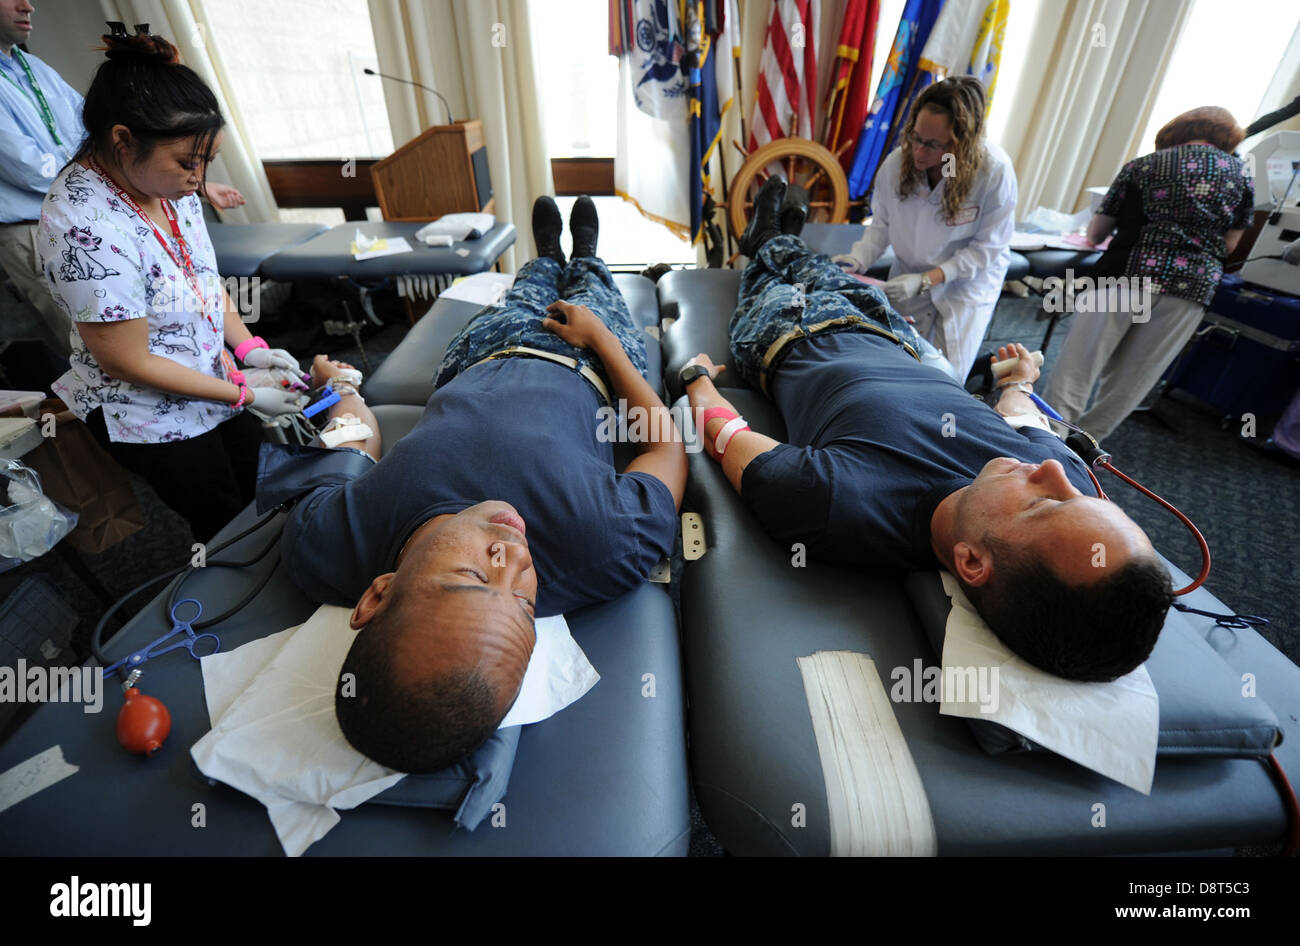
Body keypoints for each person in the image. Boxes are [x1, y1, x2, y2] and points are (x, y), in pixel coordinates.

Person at [682, 176, 1174, 683]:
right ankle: (779, 236)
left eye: (1047, 503)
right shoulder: (1057, 471)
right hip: (896, 334)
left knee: (775, 272)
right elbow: (1021, 417)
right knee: (820, 266)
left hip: (791, 331)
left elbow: (728, 436)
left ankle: (769, 236)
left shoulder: (837, 501)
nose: (1052, 468)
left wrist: (695, 379)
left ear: (972, 562)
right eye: (1085, 495)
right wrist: (1023, 381)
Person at [259, 196, 687, 774]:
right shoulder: (603, 542)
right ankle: (585, 253)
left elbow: (351, 441)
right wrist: (604, 344)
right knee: (594, 287)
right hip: (587, 364)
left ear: (378, 595)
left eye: (474, 575)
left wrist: (341, 386)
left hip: (479, 353)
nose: (513, 557)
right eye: (523, 598)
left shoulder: (325, 543)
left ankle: (546, 256)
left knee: (528, 283)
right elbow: (665, 446)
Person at [39, 25, 303, 543]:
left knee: (260, 487)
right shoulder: (82, 226)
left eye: (207, 161)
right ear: (123, 140)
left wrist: (248, 348)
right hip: (144, 410)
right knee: (223, 521)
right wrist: (244, 396)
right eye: (189, 162)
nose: (200, 178)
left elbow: (199, 277)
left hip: (210, 375)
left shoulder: (166, 184)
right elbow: (127, 361)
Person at [0, 2, 243, 356]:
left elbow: (90, 130)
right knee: (110, 347)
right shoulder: (77, 222)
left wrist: (245, 351)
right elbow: (28, 165)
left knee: (171, 328)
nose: (28, 5)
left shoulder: (31, 66)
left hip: (116, 197)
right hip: (36, 223)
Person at [1041, 107, 1254, 441]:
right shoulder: (1241, 177)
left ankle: (1050, 440)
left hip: (1128, 275)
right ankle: (1086, 446)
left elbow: (1097, 233)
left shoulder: (1144, 165)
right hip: (1192, 288)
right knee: (1133, 378)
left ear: (1176, 131)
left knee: (1078, 367)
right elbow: (1230, 245)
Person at [832, 76, 1016, 383]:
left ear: (961, 142)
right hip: (908, 274)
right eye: (915, 138)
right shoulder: (896, 164)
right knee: (894, 361)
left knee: (945, 377)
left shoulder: (993, 172)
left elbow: (987, 249)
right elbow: (880, 226)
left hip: (964, 287)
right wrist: (856, 260)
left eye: (932, 144)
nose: (918, 152)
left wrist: (927, 280)